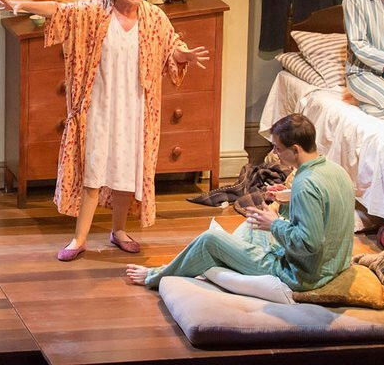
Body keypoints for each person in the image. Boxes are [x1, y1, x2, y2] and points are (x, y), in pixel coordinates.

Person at [0, 0, 210, 260]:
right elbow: (59, 10)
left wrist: (183, 56)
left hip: (136, 108)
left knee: (126, 169)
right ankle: (79, 238)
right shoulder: (96, 12)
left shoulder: (153, 17)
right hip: (100, 106)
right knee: (94, 171)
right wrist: (18, 5)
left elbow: (171, 47)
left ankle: (118, 231)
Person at [124, 114, 354, 291]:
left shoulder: (305, 184)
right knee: (252, 222)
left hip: (303, 276)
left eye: (278, 148)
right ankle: (212, 260)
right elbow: (323, 213)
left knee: (210, 240)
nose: (275, 154)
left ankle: (156, 276)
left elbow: (309, 244)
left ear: (295, 149)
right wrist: (286, 199)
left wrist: (274, 224)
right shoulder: (336, 170)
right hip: (334, 265)